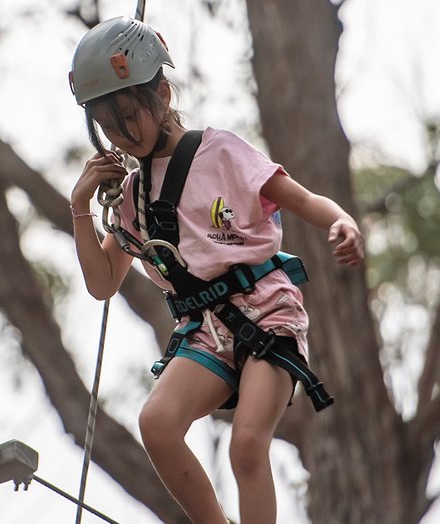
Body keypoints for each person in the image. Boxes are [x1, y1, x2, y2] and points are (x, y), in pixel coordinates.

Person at [67, 16, 363, 524]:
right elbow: (102, 283)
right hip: (204, 331)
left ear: (161, 93)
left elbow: (301, 197)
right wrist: (80, 205)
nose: (121, 134)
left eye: (129, 116)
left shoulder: (220, 152)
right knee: (157, 424)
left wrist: (342, 221)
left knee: (247, 444)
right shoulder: (132, 199)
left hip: (267, 313)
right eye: (107, 126)